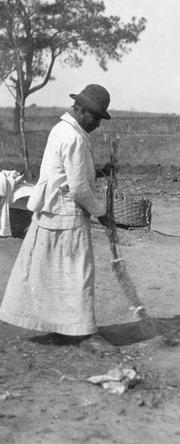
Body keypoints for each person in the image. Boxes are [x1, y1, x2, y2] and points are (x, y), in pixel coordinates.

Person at [0, 84, 117, 354]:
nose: (98, 124)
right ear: (83, 111)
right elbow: (77, 188)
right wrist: (102, 214)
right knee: (78, 274)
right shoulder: (73, 137)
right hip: (66, 215)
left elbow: (67, 174)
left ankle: (62, 327)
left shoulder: (61, 129)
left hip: (51, 212)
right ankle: (86, 333)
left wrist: (97, 171)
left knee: (55, 273)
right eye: (97, 118)